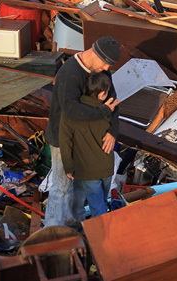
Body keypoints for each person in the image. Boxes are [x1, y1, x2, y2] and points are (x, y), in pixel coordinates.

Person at [43, 36, 120, 227]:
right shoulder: (70, 73)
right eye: (105, 64)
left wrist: (112, 131)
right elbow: (70, 109)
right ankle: (53, 230)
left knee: (80, 187)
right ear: (95, 54)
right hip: (64, 139)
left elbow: (114, 103)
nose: (106, 69)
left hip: (87, 141)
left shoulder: (102, 72)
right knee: (61, 186)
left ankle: (75, 223)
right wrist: (103, 112)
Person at [60, 72, 115, 220]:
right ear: (102, 93)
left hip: (87, 170)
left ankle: (101, 239)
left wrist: (68, 167)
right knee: (102, 202)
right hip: (106, 166)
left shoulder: (71, 112)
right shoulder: (107, 111)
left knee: (97, 207)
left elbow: (65, 141)